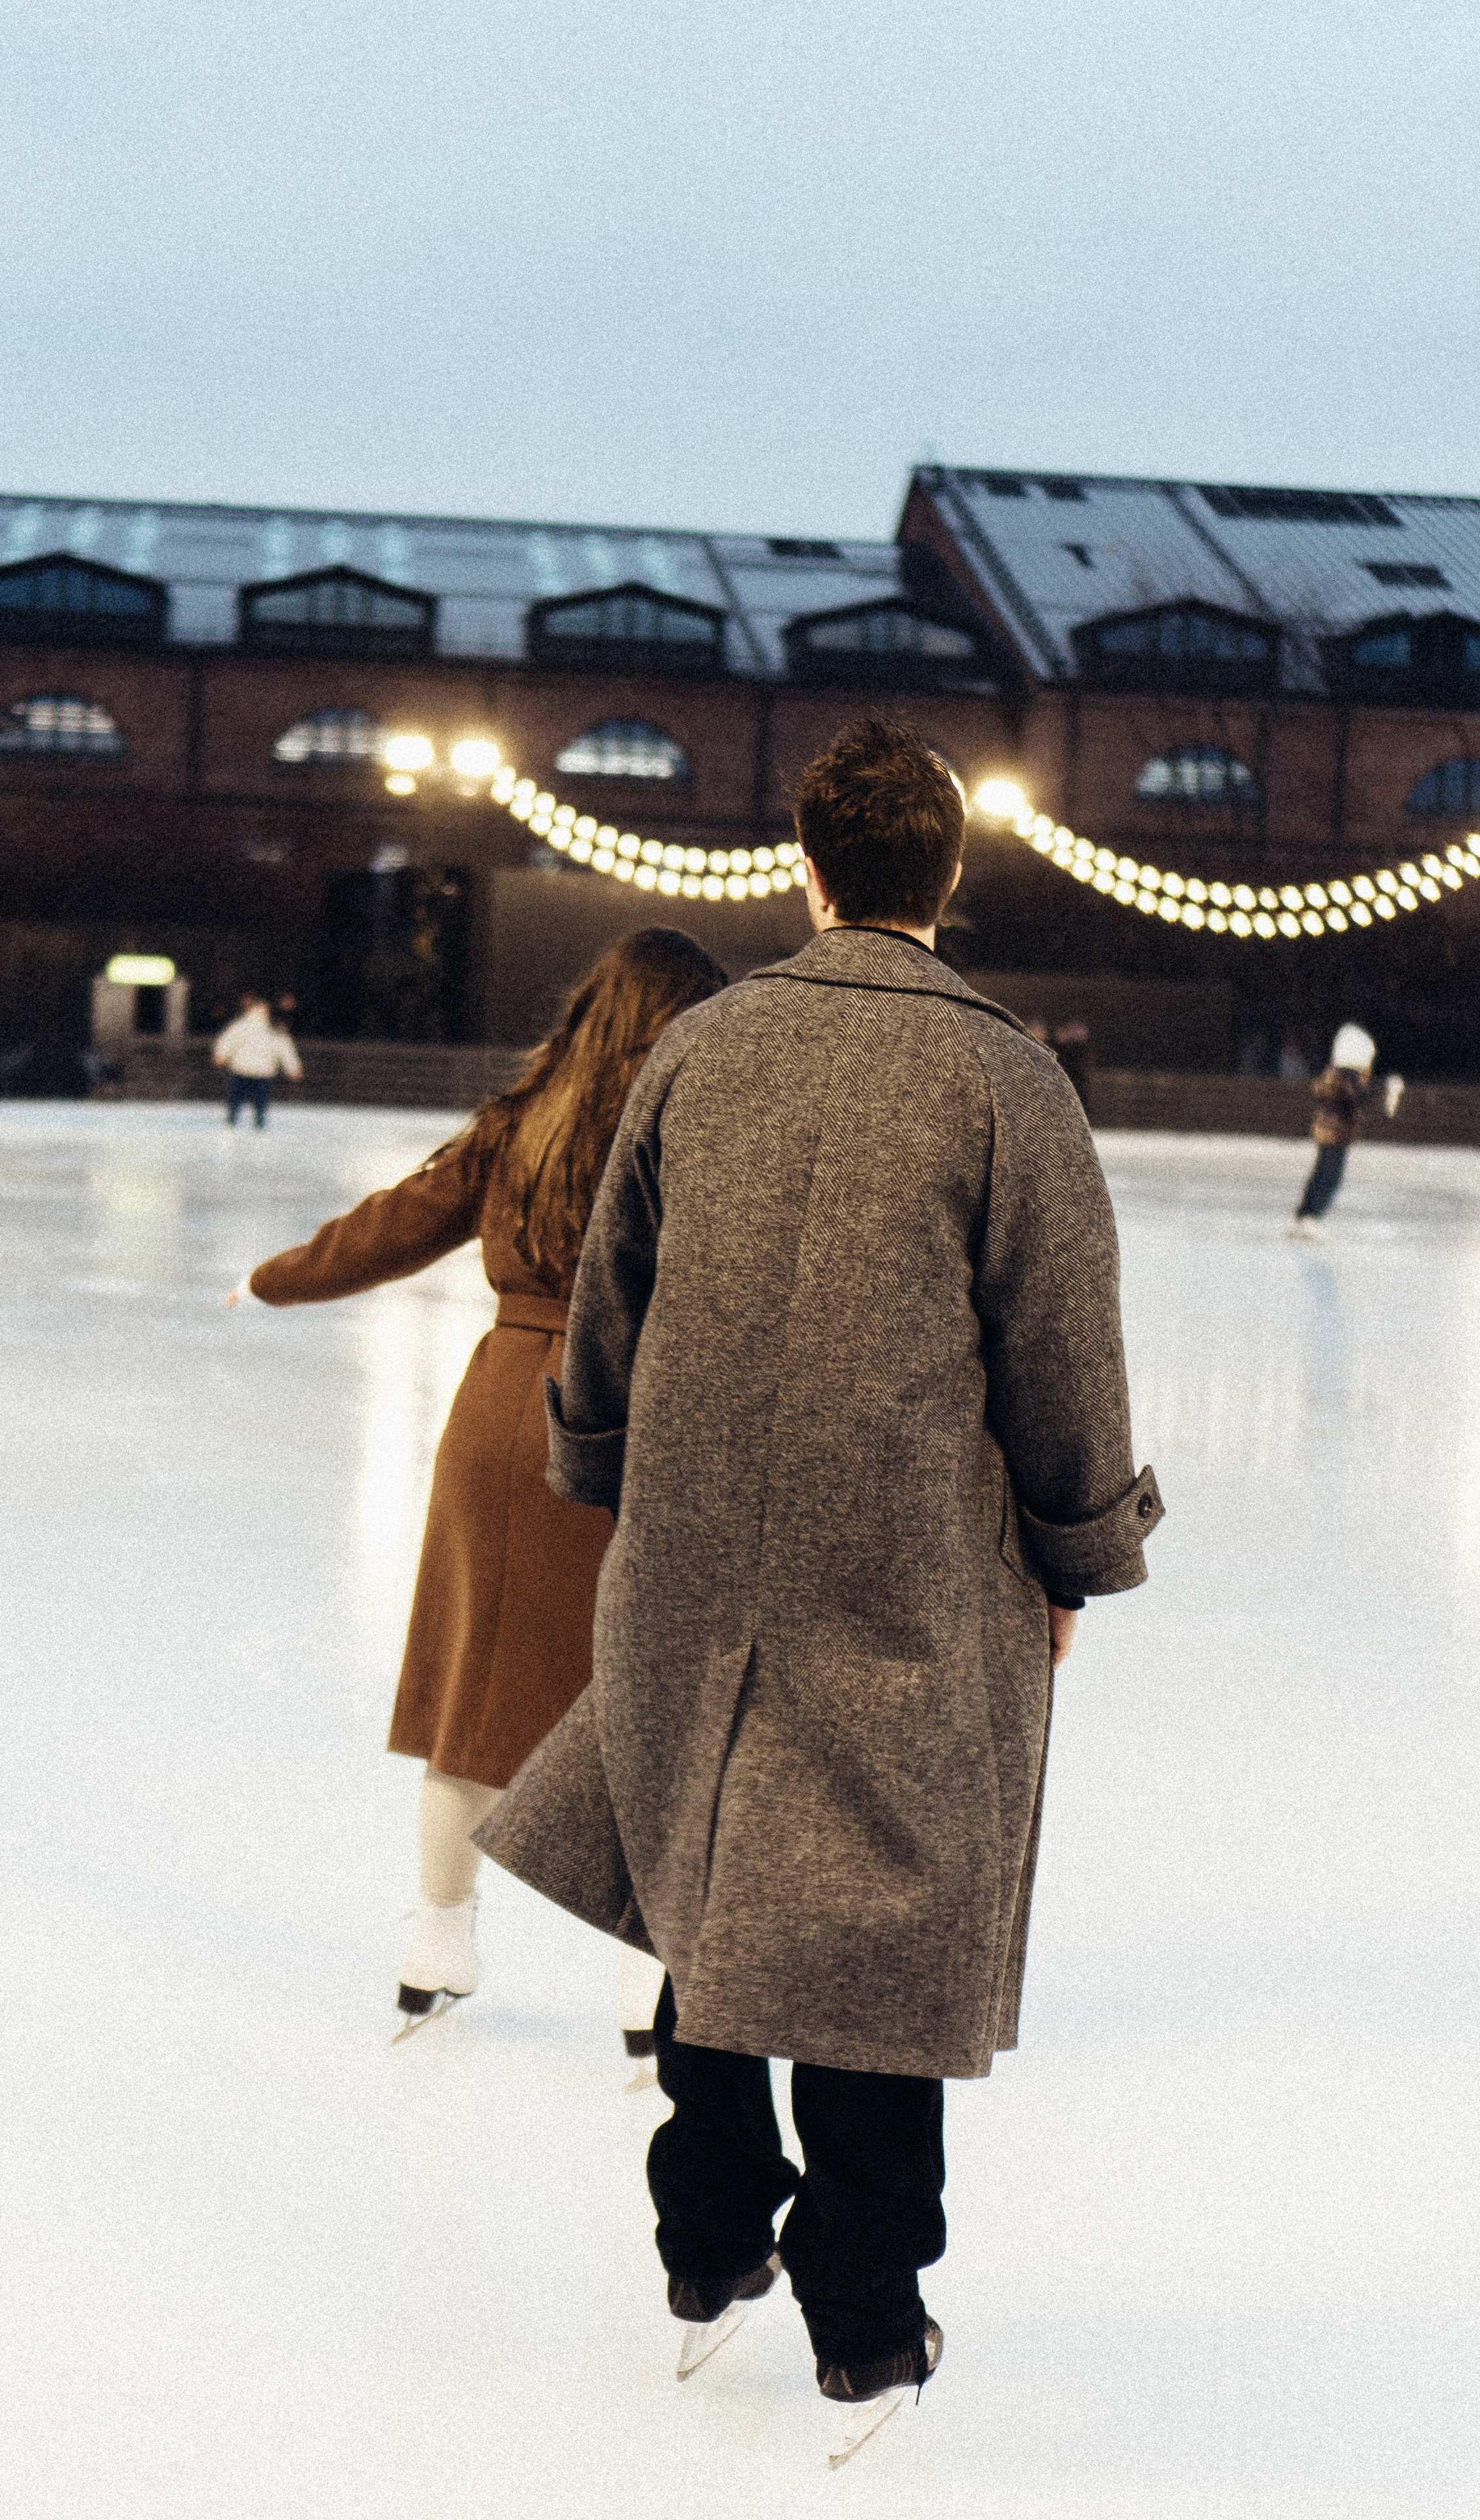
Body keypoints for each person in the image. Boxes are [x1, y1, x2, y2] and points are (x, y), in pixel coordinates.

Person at [477, 717, 1162, 2430]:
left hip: (703, 1553)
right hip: (907, 1568)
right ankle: (865, 2316)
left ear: (808, 868)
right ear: (949, 878)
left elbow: (611, 1310)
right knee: (870, 1927)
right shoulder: (1008, 1076)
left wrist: (604, 1477)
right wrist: (1077, 1554)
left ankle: (709, 2241)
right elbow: (1065, 1353)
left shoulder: (703, 1050)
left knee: (709, 1887)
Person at [232, 929, 727, 2049]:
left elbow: (393, 1226)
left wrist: (271, 1281)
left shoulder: (519, 1124)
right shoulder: (697, 1126)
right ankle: (649, 1992)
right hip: (638, 1419)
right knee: (646, 1712)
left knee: (476, 1705)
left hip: (506, 1415)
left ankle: (435, 1946)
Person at [1288, 1023, 1404, 1238]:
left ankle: (1303, 1215)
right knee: (1330, 1176)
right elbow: (1361, 1095)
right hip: (1336, 1133)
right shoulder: (1347, 1075)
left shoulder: (1334, 1072)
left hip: (1329, 1131)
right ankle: (1311, 1217)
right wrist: (1385, 1085)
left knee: (1321, 1173)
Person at [213, 991, 302, 1126]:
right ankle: (253, 1123)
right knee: (256, 1102)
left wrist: (221, 1055)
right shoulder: (269, 1029)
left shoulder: (246, 1026)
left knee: (238, 1100)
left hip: (246, 1070)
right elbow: (286, 1050)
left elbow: (227, 1040)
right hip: (257, 1071)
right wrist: (293, 1069)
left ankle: (234, 1122)